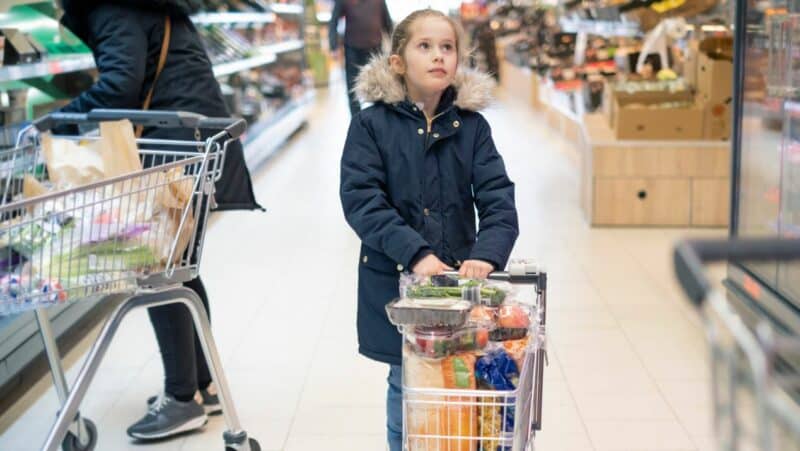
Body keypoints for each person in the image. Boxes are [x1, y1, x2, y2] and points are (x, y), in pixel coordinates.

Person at [57, 0, 262, 441]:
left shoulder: (114, 8)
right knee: (179, 272)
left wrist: (60, 122)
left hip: (173, 151)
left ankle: (182, 398)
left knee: (161, 273)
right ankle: (200, 386)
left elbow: (118, 85)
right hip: (192, 143)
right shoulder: (149, 4)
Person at [339, 9, 519, 451]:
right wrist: (415, 253)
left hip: (459, 288)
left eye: (447, 47)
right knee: (407, 382)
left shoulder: (473, 128)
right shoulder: (370, 126)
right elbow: (362, 201)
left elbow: (498, 197)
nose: (438, 56)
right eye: (425, 46)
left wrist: (487, 254)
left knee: (459, 382)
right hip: (396, 286)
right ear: (398, 62)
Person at [328, 0, 393, 116]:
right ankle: (357, 122)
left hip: (375, 49)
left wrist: (397, 46)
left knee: (380, 87)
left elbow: (387, 23)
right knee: (352, 89)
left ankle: (381, 120)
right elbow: (333, 22)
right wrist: (333, 46)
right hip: (353, 49)